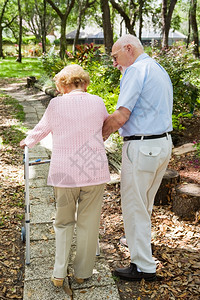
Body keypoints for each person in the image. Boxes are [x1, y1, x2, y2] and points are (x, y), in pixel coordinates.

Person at [20, 64, 110, 287]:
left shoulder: (56, 104)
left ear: (62, 84)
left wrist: (27, 142)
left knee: (63, 222)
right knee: (89, 223)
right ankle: (82, 272)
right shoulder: (98, 102)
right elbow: (104, 127)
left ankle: (59, 273)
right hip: (94, 171)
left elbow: (41, 129)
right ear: (85, 82)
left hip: (65, 174)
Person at [102, 34, 173, 281]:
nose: (114, 63)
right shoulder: (157, 68)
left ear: (128, 49)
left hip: (142, 147)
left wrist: (95, 137)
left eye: (115, 56)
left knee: (134, 206)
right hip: (162, 144)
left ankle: (143, 266)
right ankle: (136, 241)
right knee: (145, 203)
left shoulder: (135, 70)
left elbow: (121, 116)